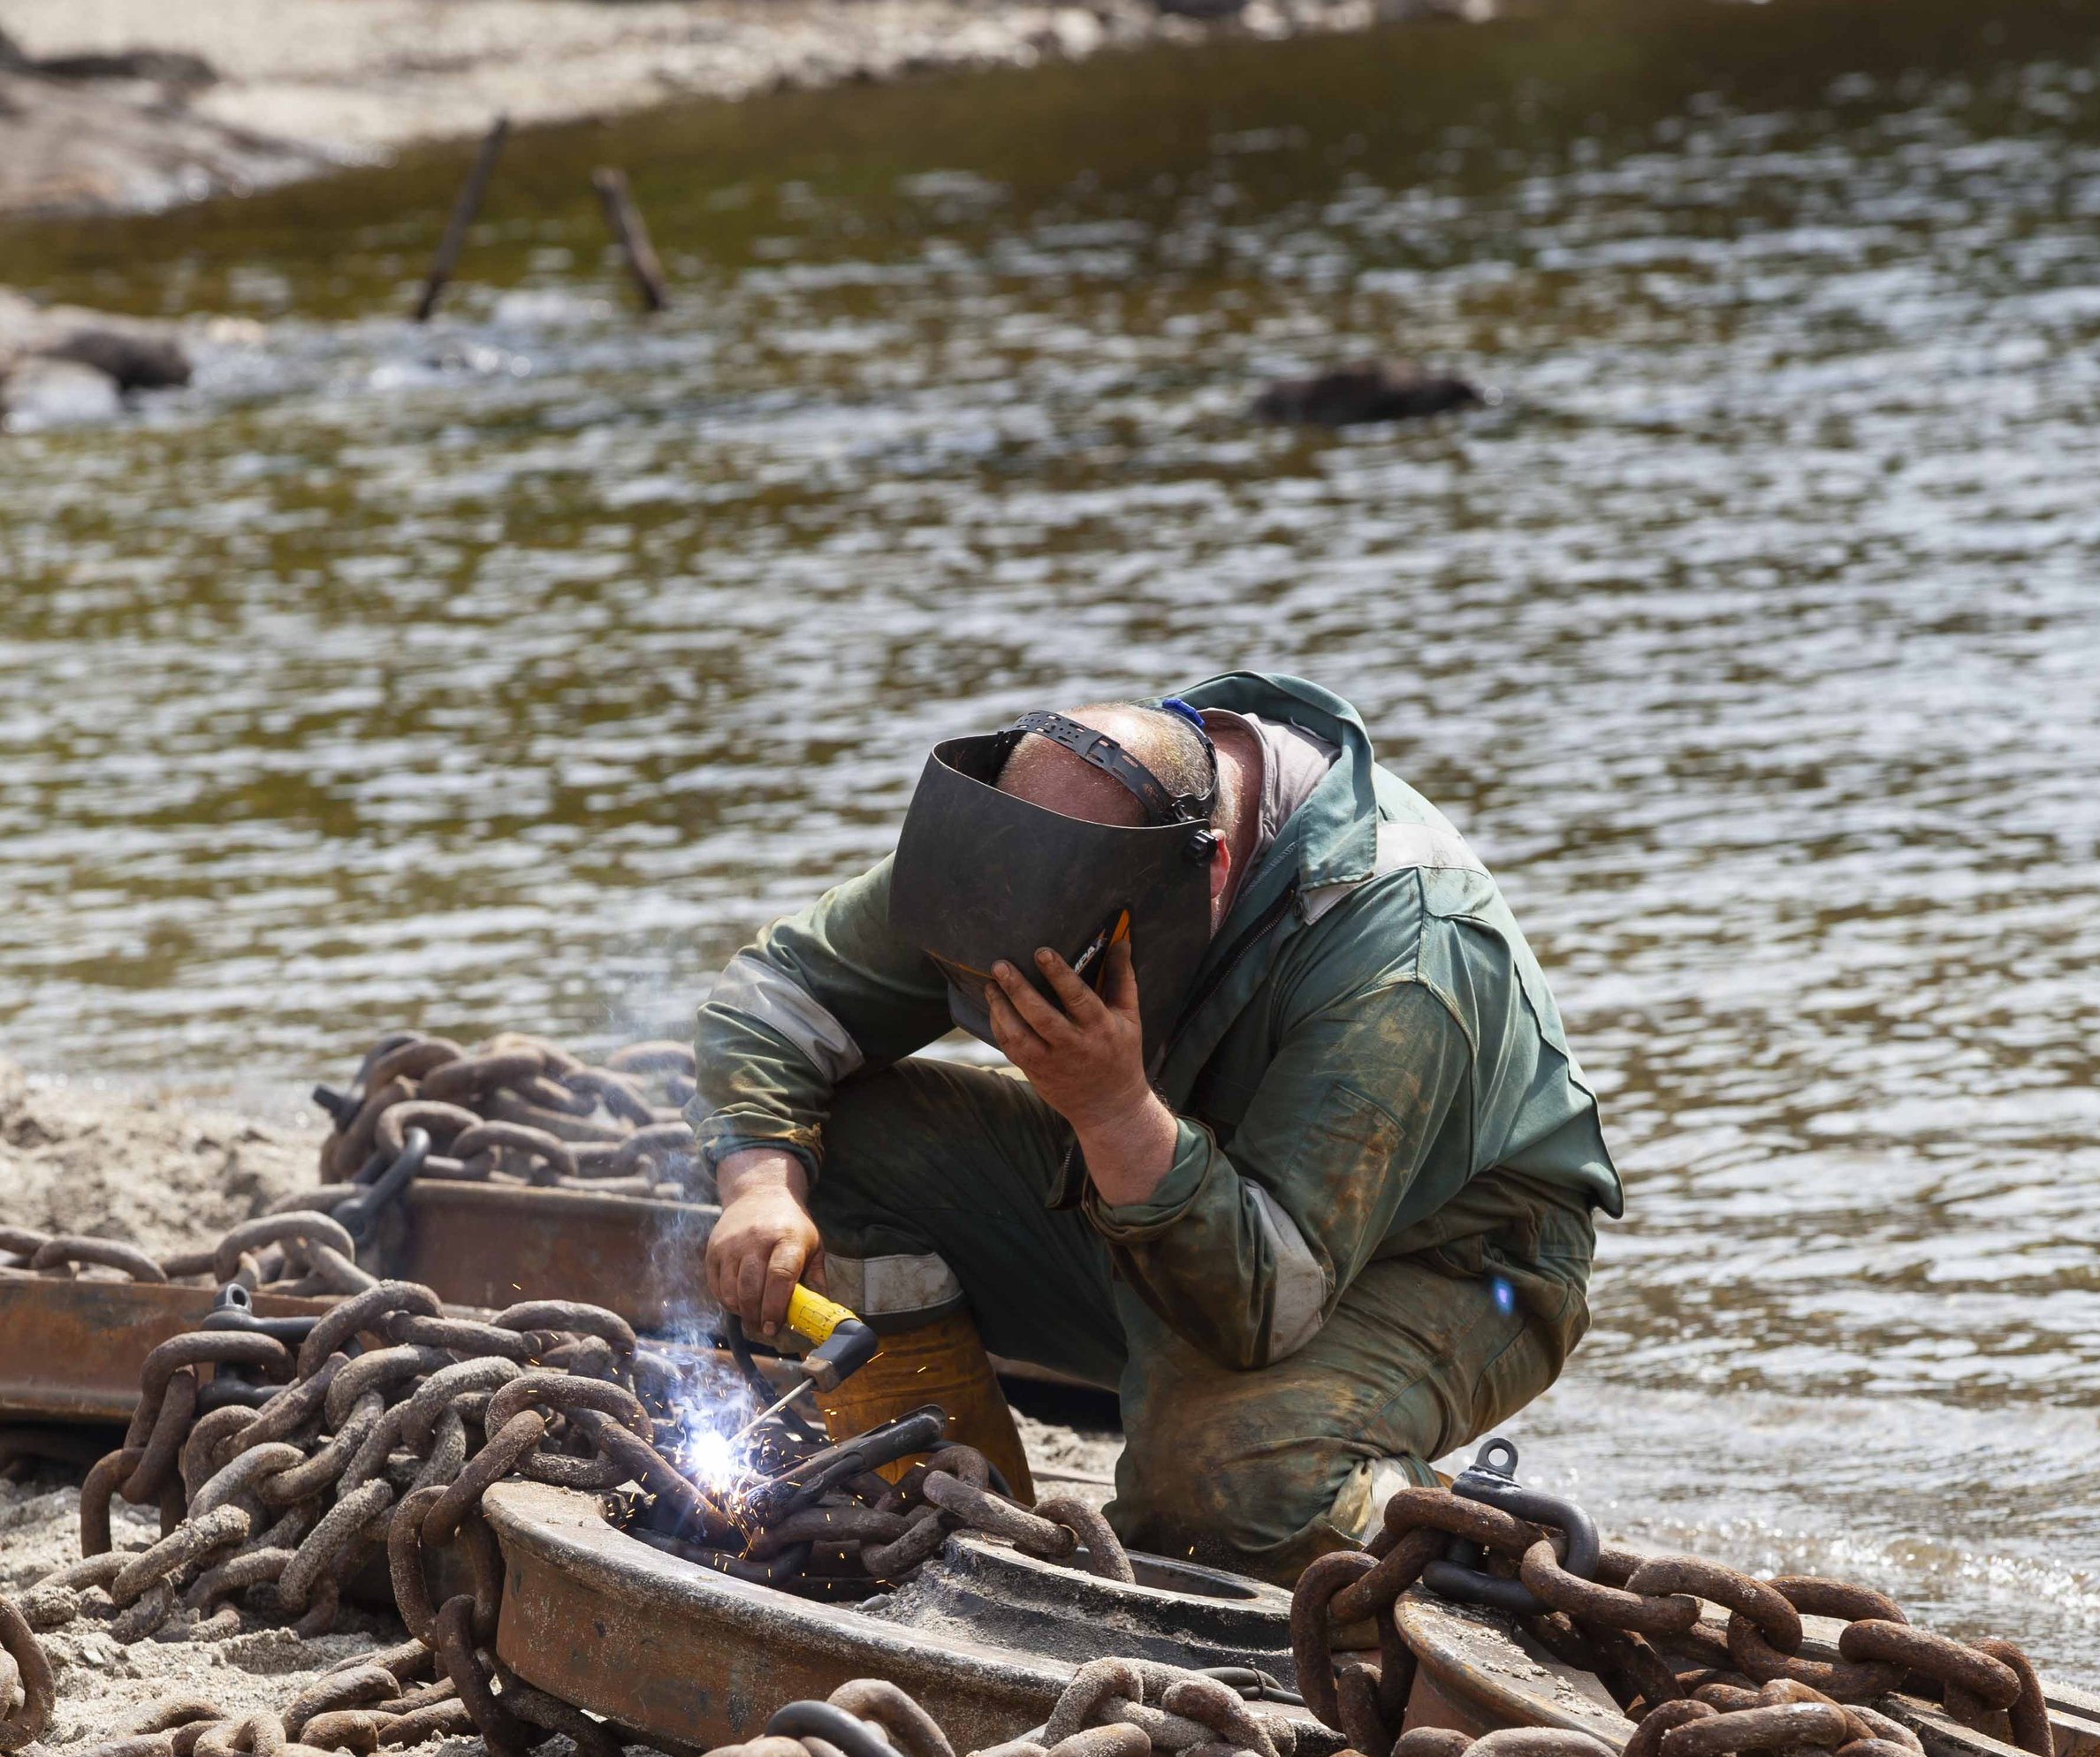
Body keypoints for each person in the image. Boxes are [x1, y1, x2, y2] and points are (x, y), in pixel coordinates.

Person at [688, 667, 1620, 1577]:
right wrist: (762, 1185)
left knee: (1217, 1490)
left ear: (1209, 875)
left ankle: (1431, 1530)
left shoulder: (1401, 963)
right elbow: (779, 996)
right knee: (840, 1142)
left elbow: (1265, 1305)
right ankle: (953, 1529)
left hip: (1441, 1263)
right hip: (1173, 1190)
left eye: (1068, 970)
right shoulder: (1051, 837)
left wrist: (1113, 1109)